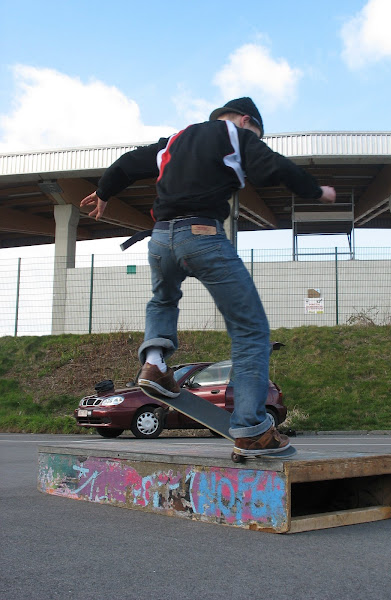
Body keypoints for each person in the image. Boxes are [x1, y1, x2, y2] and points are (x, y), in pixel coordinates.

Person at [80, 97, 336, 458]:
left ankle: (155, 363)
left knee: (164, 299)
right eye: (256, 133)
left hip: (159, 239)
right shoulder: (235, 133)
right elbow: (271, 166)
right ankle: (251, 429)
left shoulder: (174, 140)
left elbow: (127, 164)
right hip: (203, 238)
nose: (255, 140)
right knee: (250, 331)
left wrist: (104, 192)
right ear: (246, 120)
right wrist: (316, 190)